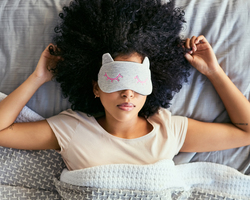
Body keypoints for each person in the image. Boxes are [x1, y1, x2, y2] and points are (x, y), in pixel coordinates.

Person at [0, 0, 249, 171]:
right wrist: (39, 77)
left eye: (137, 81)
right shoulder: (71, 128)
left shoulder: (169, 130)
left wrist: (214, 72)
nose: (128, 92)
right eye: (116, 78)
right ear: (96, 88)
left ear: (154, 83)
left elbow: (246, 131)